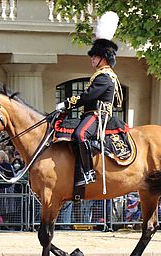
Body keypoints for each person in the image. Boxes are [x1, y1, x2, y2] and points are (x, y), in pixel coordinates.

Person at [56, 11, 122, 185]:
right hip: (90, 114)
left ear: (104, 57)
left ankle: (88, 172)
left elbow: (87, 97)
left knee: (80, 134)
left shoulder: (105, 77)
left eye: (95, 56)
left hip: (98, 115)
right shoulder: (101, 75)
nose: (92, 59)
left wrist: (66, 103)